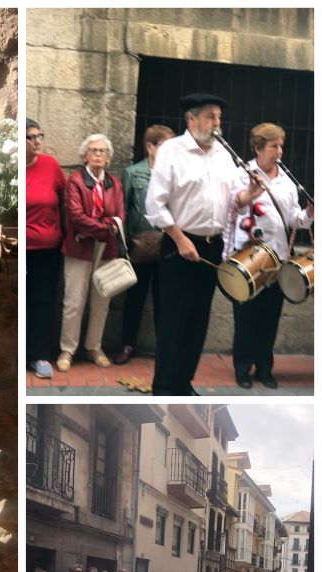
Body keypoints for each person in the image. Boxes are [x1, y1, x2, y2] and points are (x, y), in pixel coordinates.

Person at [145, 92, 263, 395]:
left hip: (211, 247)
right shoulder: (172, 150)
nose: (217, 123)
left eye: (219, 118)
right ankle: (164, 387)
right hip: (179, 245)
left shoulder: (223, 154)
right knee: (173, 323)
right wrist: (180, 238)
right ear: (192, 119)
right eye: (211, 116)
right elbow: (155, 204)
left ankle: (183, 383)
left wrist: (251, 192)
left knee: (197, 323)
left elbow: (233, 200)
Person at [224, 123, 314, 390]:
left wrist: (309, 212)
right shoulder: (242, 174)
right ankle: (242, 368)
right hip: (249, 256)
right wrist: (248, 194)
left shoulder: (286, 180)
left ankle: (265, 368)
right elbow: (233, 207)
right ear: (258, 148)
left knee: (269, 317)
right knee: (246, 317)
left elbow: (294, 219)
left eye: (281, 146)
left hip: (278, 255)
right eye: (274, 146)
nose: (279, 151)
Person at [57, 134, 125, 372]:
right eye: (94, 150)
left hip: (107, 248)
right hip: (79, 247)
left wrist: (101, 228)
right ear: (84, 155)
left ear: (108, 157)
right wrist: (104, 228)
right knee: (74, 300)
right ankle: (68, 349)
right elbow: (76, 217)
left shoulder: (115, 184)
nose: (98, 154)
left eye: (103, 151)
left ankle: (94, 346)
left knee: (101, 300)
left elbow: (119, 217)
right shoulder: (75, 181)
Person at [113, 124, 175, 364]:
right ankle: (128, 345)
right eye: (164, 145)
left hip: (167, 245)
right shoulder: (133, 173)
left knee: (164, 300)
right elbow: (123, 210)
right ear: (150, 147)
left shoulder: (174, 174)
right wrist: (123, 246)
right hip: (139, 245)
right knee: (135, 299)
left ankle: (164, 349)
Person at [26, 118, 67, 379]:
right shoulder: (6, 168)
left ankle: (39, 355)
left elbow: (63, 201)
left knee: (43, 302)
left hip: (48, 249)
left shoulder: (51, 165)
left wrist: (65, 237)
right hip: (18, 248)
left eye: (40, 135)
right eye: (31, 137)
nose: (38, 141)